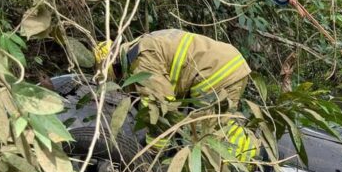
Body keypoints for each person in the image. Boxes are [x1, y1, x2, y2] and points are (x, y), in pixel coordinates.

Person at [93, 29, 254, 159]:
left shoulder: (140, 60)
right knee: (218, 124)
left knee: (205, 135)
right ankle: (254, 149)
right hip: (225, 65)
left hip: (217, 73)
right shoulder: (141, 46)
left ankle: (256, 156)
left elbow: (162, 105)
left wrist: (153, 148)